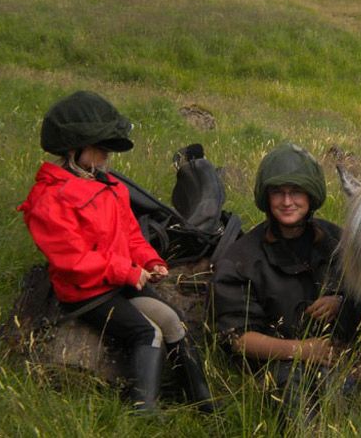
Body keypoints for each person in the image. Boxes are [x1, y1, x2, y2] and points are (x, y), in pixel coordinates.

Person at [19, 90, 216, 413]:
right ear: (74, 148)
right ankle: (144, 410)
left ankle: (203, 404)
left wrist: (151, 261)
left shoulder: (110, 186)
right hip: (86, 292)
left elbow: (131, 235)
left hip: (118, 282)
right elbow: (73, 261)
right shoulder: (48, 198)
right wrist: (127, 271)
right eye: (101, 147)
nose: (107, 154)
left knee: (173, 321)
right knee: (146, 332)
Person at [211, 142, 361, 420]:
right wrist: (303, 350)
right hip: (280, 366)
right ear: (266, 197)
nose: (287, 202)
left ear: (311, 195)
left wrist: (340, 300)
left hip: (341, 358)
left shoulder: (338, 241)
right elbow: (238, 338)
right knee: (295, 399)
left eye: (296, 191)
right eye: (278, 193)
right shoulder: (241, 259)